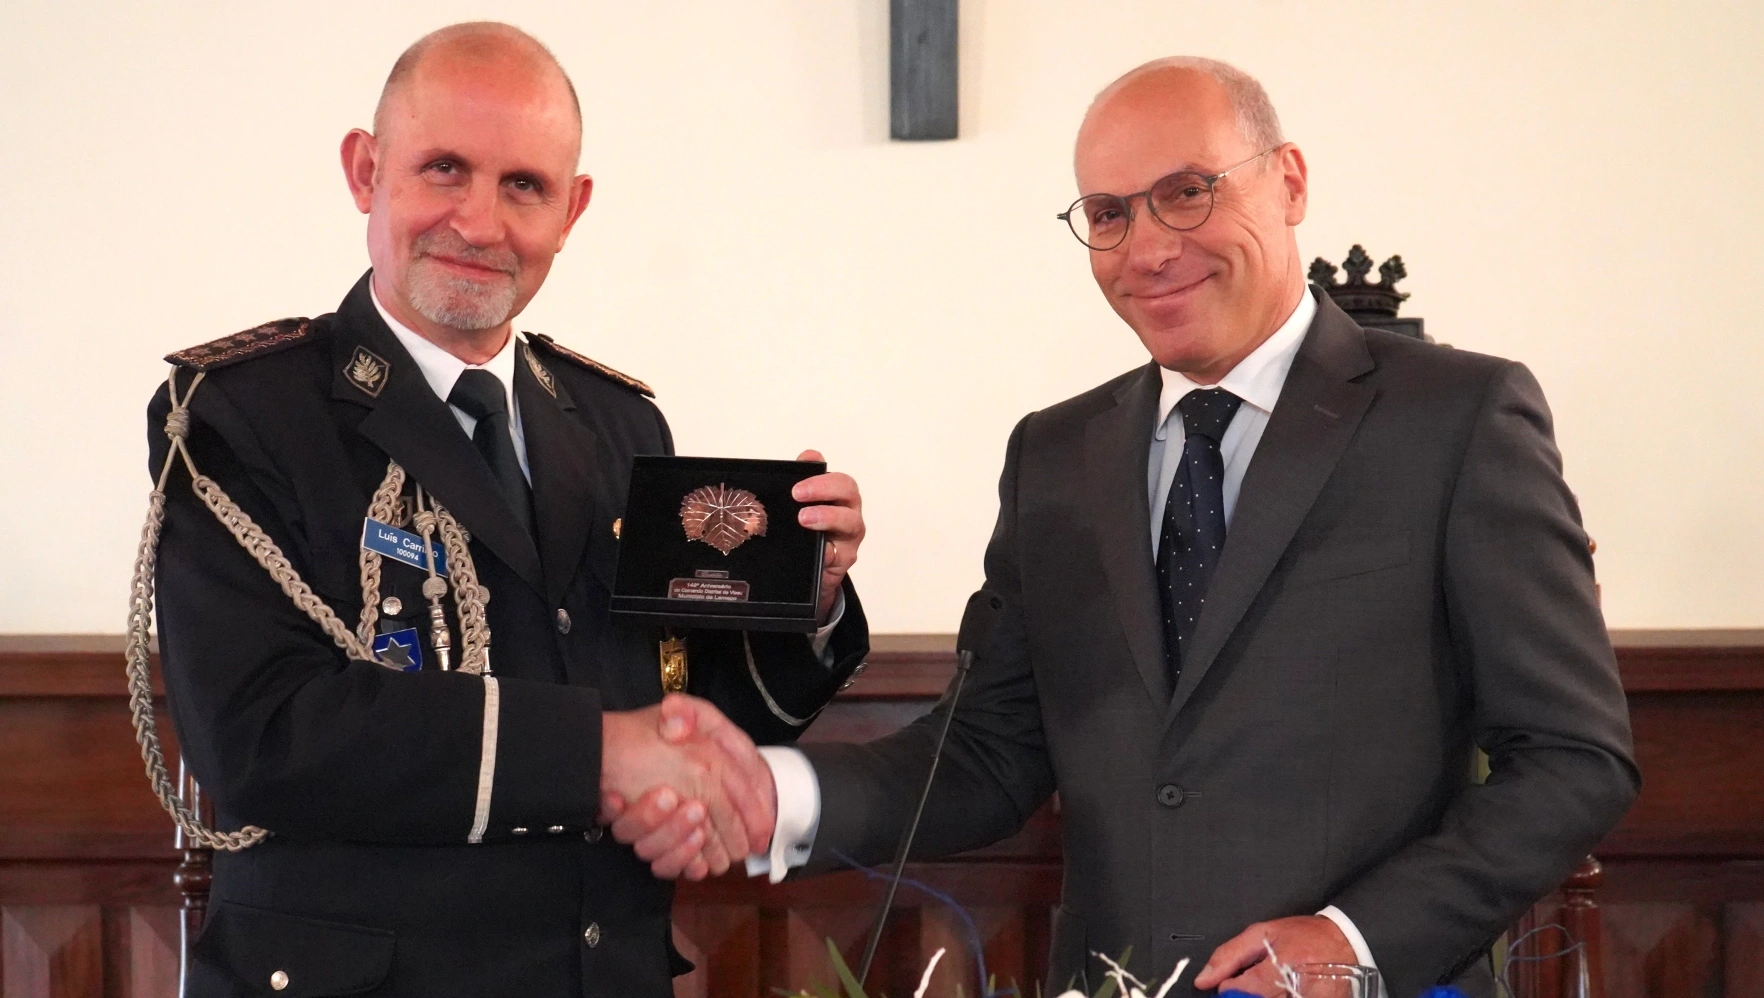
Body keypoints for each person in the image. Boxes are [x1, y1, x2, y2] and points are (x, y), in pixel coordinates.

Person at [613, 57, 1639, 997]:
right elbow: (987, 754)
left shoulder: (1456, 417)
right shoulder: (1055, 453)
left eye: (1187, 191)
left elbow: (1573, 756)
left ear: (1287, 181)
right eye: (1108, 214)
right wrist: (771, 790)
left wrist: (1355, 939)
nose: (1146, 249)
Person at [145, 22, 869, 998]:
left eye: (524, 185)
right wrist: (600, 753)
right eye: (444, 169)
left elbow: (681, 710)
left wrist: (804, 595)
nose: (480, 224)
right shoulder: (241, 412)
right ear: (366, 171)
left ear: (572, 210)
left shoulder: (620, 424)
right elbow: (262, 734)